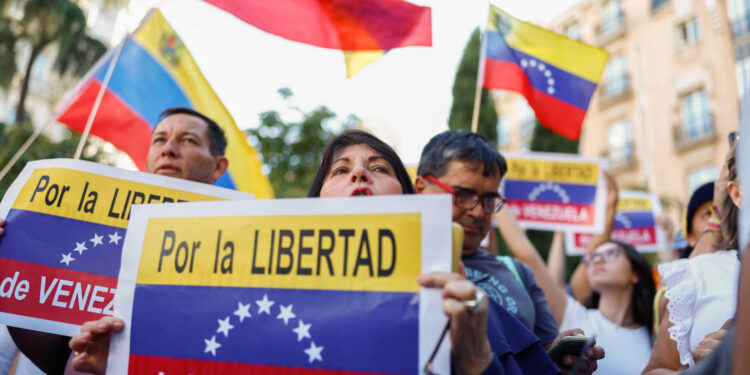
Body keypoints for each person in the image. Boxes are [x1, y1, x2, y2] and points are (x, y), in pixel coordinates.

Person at [2, 106, 230, 374]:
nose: (168, 149)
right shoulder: (98, 235)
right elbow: (58, 354)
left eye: (188, 140)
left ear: (218, 166)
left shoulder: (233, 248)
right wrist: (10, 258)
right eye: (159, 139)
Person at [415, 130, 604, 374]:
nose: (478, 212)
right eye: (462, 195)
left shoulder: (518, 272)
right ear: (421, 187)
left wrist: (559, 358)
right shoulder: (395, 262)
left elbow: (544, 359)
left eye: (489, 199)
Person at [643, 142, 742, 373]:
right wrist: (705, 368)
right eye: (705, 214)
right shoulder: (698, 273)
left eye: (713, 212)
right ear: (737, 193)